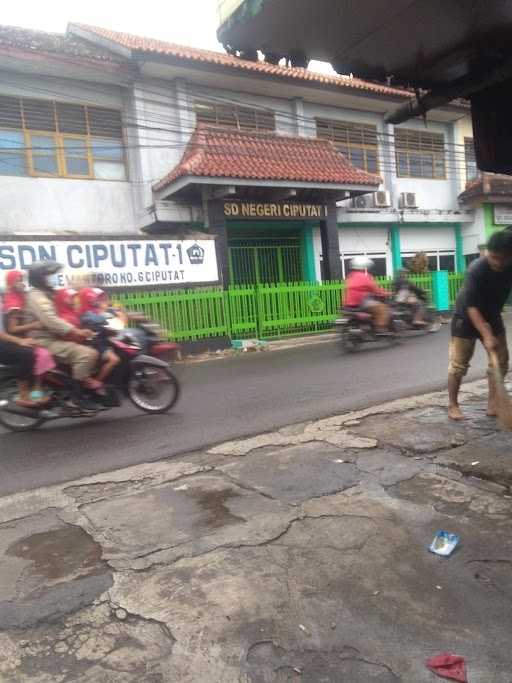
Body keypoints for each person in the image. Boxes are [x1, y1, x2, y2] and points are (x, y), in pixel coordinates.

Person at [448, 229, 512, 421]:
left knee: (500, 362)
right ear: (487, 252)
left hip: (492, 315)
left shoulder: (509, 267)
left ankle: (493, 403)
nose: (498, 262)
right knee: (458, 365)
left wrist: (491, 332)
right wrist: (487, 334)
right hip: (465, 319)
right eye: (494, 257)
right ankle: (453, 405)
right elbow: (472, 308)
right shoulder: (476, 269)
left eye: (503, 258)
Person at [25, 261, 100, 395]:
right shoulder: (36, 296)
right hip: (44, 340)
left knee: (93, 346)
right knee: (87, 354)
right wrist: (76, 331)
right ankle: (77, 397)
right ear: (39, 278)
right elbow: (51, 320)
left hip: (57, 336)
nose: (53, 277)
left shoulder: (50, 293)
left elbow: (71, 309)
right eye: (49, 275)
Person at [2, 269, 55, 402]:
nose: (22, 283)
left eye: (22, 280)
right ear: (10, 283)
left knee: (45, 351)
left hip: (23, 337)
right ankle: (26, 394)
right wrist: (33, 327)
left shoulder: (22, 296)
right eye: (18, 280)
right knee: (35, 354)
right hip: (13, 340)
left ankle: (39, 388)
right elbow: (11, 329)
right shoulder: (13, 302)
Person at [79, 288, 121, 383]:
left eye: (95, 298)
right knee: (114, 360)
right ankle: (98, 382)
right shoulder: (85, 313)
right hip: (95, 344)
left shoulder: (95, 310)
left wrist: (114, 313)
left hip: (104, 341)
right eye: (92, 298)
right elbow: (98, 320)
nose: (95, 301)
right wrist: (106, 317)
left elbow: (111, 314)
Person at [344, 256, 391, 334]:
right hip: (360, 302)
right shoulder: (364, 277)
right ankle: (380, 329)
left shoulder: (349, 277)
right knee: (382, 308)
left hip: (348, 304)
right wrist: (387, 293)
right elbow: (376, 290)